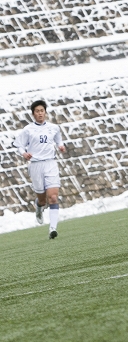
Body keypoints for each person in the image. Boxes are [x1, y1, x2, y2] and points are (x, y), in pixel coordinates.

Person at [14, 100, 66, 239]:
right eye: (37, 111)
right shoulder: (28, 130)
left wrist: (60, 146)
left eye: (42, 111)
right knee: (43, 200)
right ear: (33, 114)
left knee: (53, 197)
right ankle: (39, 207)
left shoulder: (53, 128)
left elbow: (58, 140)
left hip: (50, 163)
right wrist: (24, 153)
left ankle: (52, 229)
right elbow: (19, 145)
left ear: (45, 112)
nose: (40, 113)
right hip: (35, 165)